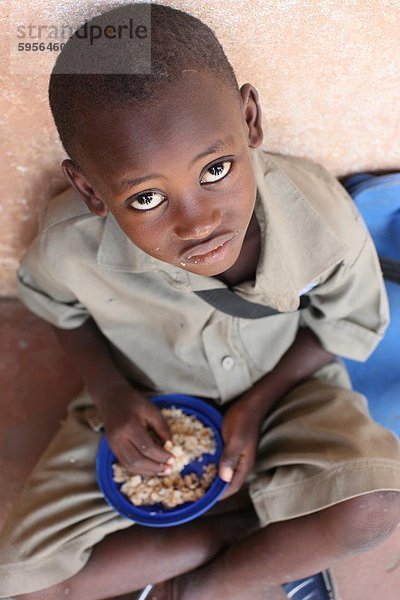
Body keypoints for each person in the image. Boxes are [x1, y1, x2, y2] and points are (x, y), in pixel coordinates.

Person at [1, 3, 400, 599]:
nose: (197, 222)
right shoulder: (72, 244)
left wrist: (258, 405)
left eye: (215, 169)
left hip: (288, 394)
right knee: (26, 583)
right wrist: (112, 395)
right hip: (147, 404)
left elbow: (349, 320)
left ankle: (200, 589)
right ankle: (220, 535)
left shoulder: (317, 214)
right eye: (145, 199)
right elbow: (59, 309)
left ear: (250, 120)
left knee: (373, 509)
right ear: (90, 189)